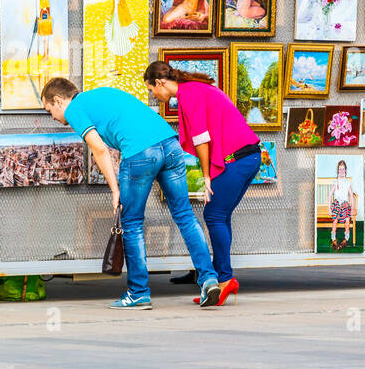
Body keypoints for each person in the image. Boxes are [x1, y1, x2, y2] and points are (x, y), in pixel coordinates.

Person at [40, 77, 221, 310]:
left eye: (49, 110)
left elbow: (99, 149)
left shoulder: (74, 108)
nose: (53, 117)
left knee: (132, 222)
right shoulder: (100, 94)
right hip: (170, 144)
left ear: (58, 100)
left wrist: (114, 189)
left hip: (140, 152)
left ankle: (138, 292)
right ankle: (208, 279)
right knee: (185, 215)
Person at [144, 60, 262, 306]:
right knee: (220, 215)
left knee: (214, 215)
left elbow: (201, 138)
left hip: (237, 160)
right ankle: (223, 278)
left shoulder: (188, 94)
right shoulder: (193, 88)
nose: (154, 96)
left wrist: (206, 175)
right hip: (248, 157)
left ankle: (224, 279)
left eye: (151, 90)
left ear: (159, 82)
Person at [328, 159, 357, 250]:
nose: (341, 171)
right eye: (340, 169)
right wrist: (329, 208)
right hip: (337, 203)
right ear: (338, 170)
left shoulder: (347, 182)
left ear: (345, 170)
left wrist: (352, 208)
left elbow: (351, 196)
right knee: (335, 220)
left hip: (345, 204)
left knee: (347, 219)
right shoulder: (336, 182)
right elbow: (330, 194)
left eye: (343, 169)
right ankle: (333, 240)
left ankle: (345, 239)